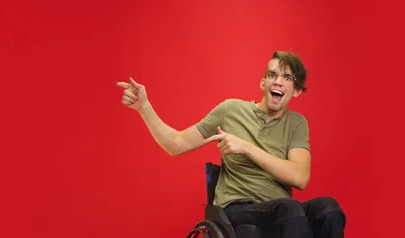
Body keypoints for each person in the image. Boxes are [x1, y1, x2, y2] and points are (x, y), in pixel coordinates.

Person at [116, 51, 346, 238]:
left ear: (295, 91)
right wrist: (144, 108)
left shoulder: (296, 124)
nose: (279, 81)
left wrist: (246, 147)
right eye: (273, 75)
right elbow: (175, 143)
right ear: (263, 82)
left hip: (281, 211)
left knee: (329, 208)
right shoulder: (230, 110)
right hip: (237, 209)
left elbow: (300, 177)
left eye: (288, 78)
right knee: (290, 209)